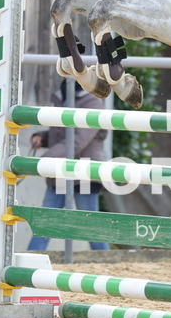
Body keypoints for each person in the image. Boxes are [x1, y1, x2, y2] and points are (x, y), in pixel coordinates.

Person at [27, 80, 110, 251]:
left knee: (90, 226)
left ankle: (108, 263)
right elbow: (62, 134)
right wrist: (42, 138)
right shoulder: (63, 96)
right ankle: (31, 258)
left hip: (84, 172)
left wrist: (47, 158)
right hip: (61, 170)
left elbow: (78, 140)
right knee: (45, 222)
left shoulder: (93, 102)